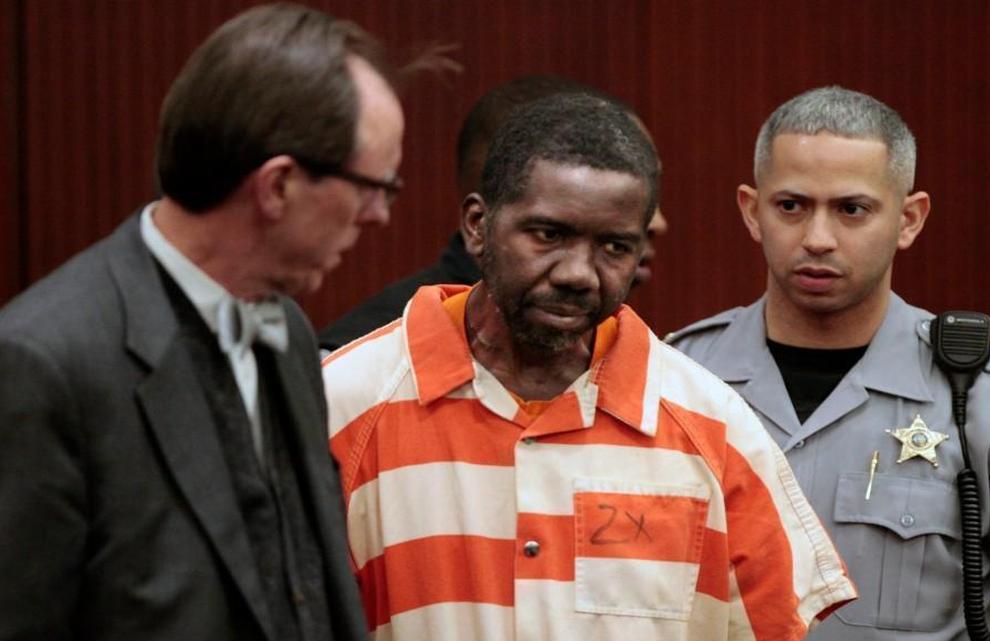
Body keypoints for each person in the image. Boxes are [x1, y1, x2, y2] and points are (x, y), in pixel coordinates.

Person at [322, 92, 855, 641]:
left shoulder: (714, 428)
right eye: (549, 235)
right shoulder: (345, 404)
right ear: (478, 226)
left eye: (614, 247)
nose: (579, 272)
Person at [667, 86, 990, 641]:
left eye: (852, 210)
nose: (818, 239)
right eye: (791, 206)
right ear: (752, 212)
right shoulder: (675, 382)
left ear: (909, 220)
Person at [0, 4, 405, 639]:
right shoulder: (43, 361)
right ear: (277, 187)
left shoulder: (291, 332)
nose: (379, 214)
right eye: (372, 186)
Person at [318, 74, 668, 352]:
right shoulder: (352, 376)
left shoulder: (690, 399)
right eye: (550, 233)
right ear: (478, 221)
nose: (657, 223)